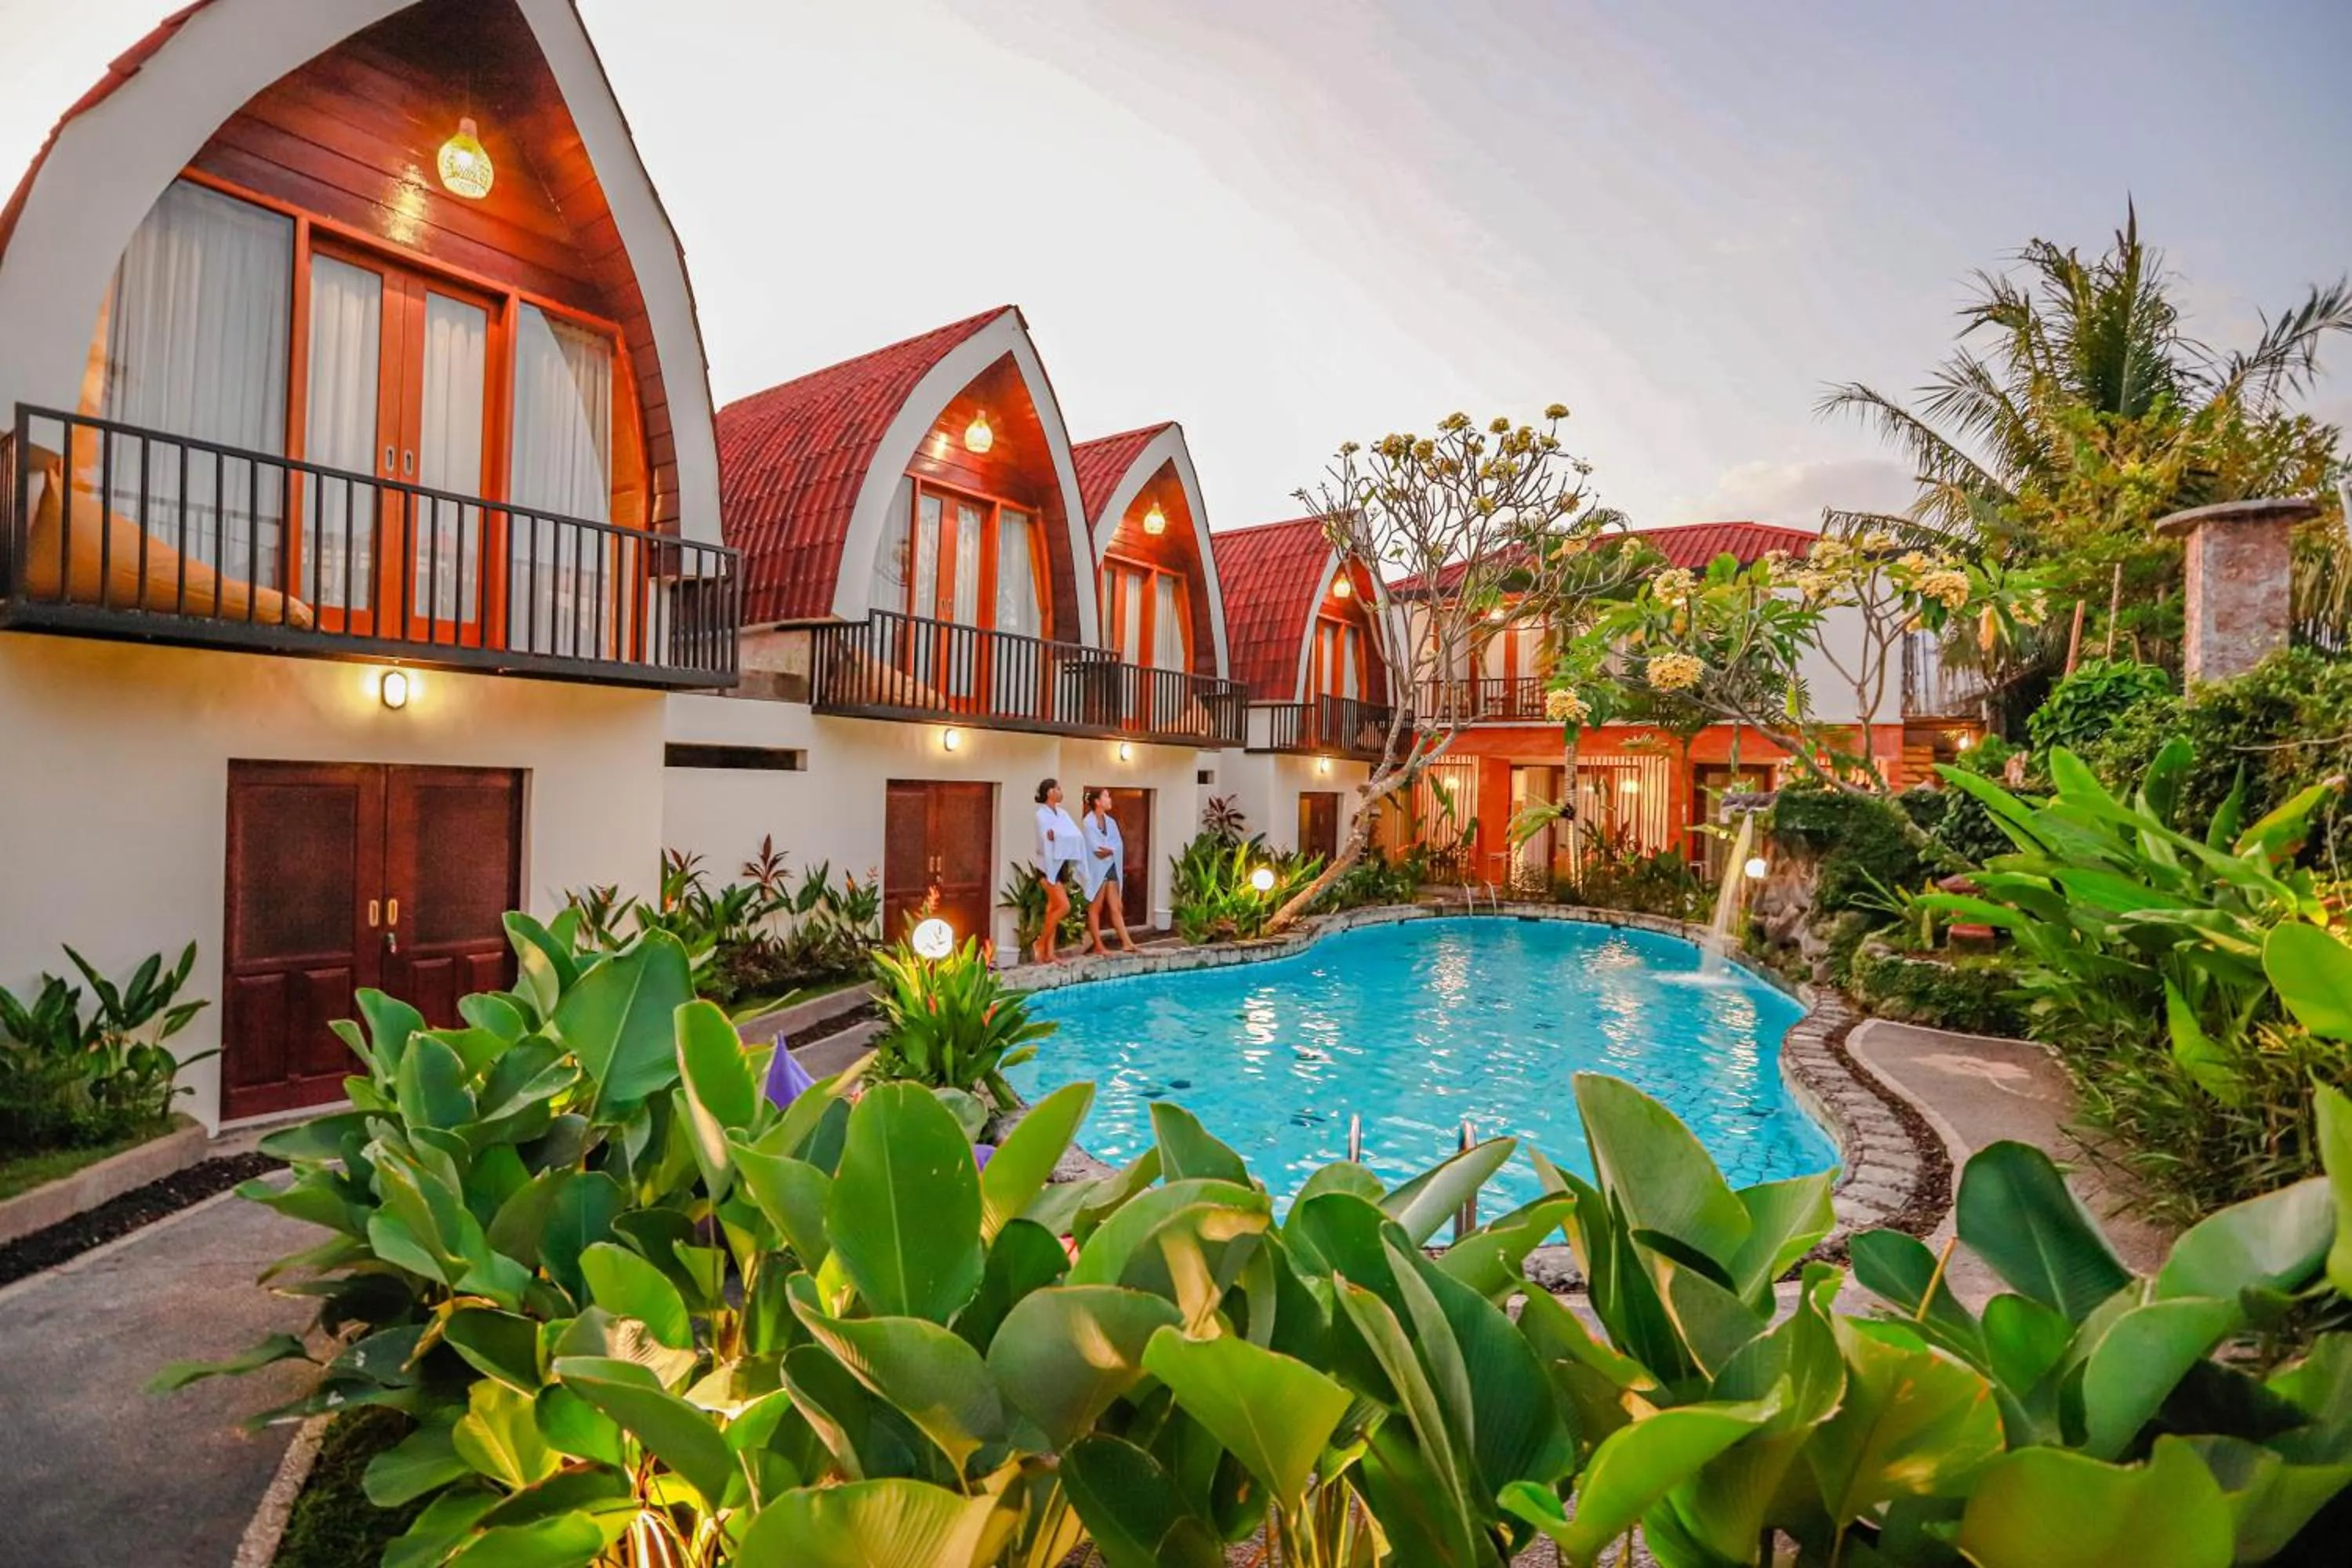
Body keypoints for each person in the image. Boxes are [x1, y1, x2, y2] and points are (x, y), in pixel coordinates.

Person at [1080, 787, 1140, 956]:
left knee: (1116, 907)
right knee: (1096, 907)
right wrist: (1110, 850)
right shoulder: (1088, 823)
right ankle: (1098, 945)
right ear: (1097, 802)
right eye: (1106, 796)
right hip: (1096, 869)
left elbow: (1117, 845)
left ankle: (1127, 943)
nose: (1110, 799)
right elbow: (1096, 850)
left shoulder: (1111, 822)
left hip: (1111, 866)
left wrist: (1110, 850)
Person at [1032, 779, 1080, 964]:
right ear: (1050, 792)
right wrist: (1060, 837)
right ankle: (1040, 943)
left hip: (1060, 866)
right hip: (1046, 868)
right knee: (1064, 906)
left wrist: (1060, 837)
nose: (1061, 792)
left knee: (1052, 909)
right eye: (1058, 789)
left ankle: (1049, 954)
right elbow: (1046, 839)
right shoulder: (1041, 815)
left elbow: (1074, 835)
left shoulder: (1062, 814)